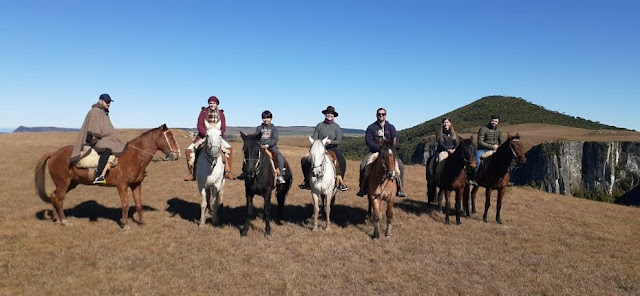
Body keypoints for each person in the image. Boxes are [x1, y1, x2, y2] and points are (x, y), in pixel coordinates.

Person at [70, 93, 126, 184]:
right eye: (107, 102)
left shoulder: (103, 112)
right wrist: (97, 137)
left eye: (109, 102)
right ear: (100, 101)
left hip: (103, 139)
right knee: (107, 150)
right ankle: (99, 175)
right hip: (94, 140)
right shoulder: (95, 111)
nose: (109, 104)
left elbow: (107, 128)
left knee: (120, 146)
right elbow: (93, 128)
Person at [356, 108, 406, 198]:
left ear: (386, 115)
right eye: (379, 114)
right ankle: (362, 188)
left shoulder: (391, 127)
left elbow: (396, 140)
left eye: (383, 114)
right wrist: (380, 149)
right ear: (376, 115)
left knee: (401, 167)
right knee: (363, 165)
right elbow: (368, 141)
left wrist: (390, 149)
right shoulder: (371, 127)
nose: (381, 116)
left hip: (388, 153)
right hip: (374, 151)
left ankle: (400, 188)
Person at [183, 95, 234, 181]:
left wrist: (217, 133)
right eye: (210, 103)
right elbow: (199, 125)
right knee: (188, 150)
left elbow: (223, 127)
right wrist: (206, 133)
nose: (212, 105)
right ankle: (192, 173)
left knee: (229, 148)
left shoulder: (221, 113)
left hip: (217, 136)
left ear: (217, 104)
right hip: (204, 136)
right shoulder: (203, 112)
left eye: (214, 103)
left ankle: (228, 171)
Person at [299, 106, 348, 191]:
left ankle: (340, 182)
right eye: (328, 113)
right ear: (325, 114)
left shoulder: (336, 127)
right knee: (304, 160)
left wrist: (330, 141)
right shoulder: (319, 125)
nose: (330, 115)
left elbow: (338, 140)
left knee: (342, 160)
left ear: (334, 116)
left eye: (331, 114)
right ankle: (306, 180)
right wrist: (310, 152)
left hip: (332, 148)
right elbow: (314, 139)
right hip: (319, 149)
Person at [255, 110, 286, 184]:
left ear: (271, 119)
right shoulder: (259, 128)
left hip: (271, 147)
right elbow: (256, 138)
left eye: (268, 118)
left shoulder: (274, 128)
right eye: (264, 118)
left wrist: (268, 145)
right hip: (260, 146)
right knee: (250, 155)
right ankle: (246, 172)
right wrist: (260, 145)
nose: (266, 120)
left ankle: (280, 175)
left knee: (280, 157)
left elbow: (275, 139)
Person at [473, 114, 503, 184]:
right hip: (482, 150)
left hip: (494, 150)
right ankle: (475, 179)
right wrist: (492, 146)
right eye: (493, 121)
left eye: (496, 121)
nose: (494, 123)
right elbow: (480, 142)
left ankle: (503, 179)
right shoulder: (483, 129)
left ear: (498, 122)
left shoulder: (499, 131)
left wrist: (499, 147)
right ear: (490, 120)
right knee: (478, 162)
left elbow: (501, 141)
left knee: (504, 161)